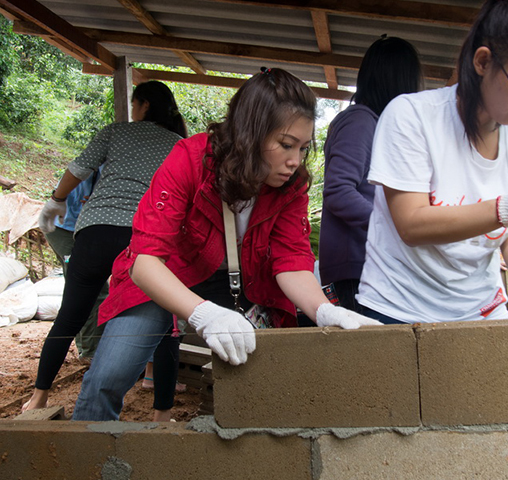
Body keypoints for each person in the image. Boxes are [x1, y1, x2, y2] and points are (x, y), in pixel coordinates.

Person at [72, 67, 382, 422]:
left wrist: (324, 310)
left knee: (266, 379)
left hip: (244, 281)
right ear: (250, 134)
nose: (295, 160)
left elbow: (290, 260)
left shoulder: (291, 184)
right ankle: (86, 457)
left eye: (303, 147)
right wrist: (203, 314)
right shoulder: (189, 159)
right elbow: (146, 263)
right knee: (109, 375)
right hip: (167, 274)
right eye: (285, 145)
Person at [356, 0, 508, 353]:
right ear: (483, 61)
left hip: (479, 312)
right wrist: (507, 207)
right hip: (397, 310)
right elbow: (411, 225)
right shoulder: (412, 117)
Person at [24, 80, 188, 413]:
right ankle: (161, 412)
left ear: (142, 105)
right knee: (165, 322)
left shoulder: (116, 132)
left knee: (70, 317)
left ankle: (38, 396)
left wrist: (55, 201)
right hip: (145, 239)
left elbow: (78, 169)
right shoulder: (179, 145)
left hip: (95, 232)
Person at [319, 35, 423, 312]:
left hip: (366, 263)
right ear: (401, 81)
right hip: (356, 266)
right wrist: (392, 225)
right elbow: (338, 191)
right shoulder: (360, 121)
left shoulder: (378, 124)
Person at [44, 170, 107, 360]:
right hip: (64, 229)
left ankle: (91, 345)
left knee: (92, 288)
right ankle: (90, 352)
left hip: (82, 228)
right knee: (90, 288)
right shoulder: (90, 171)